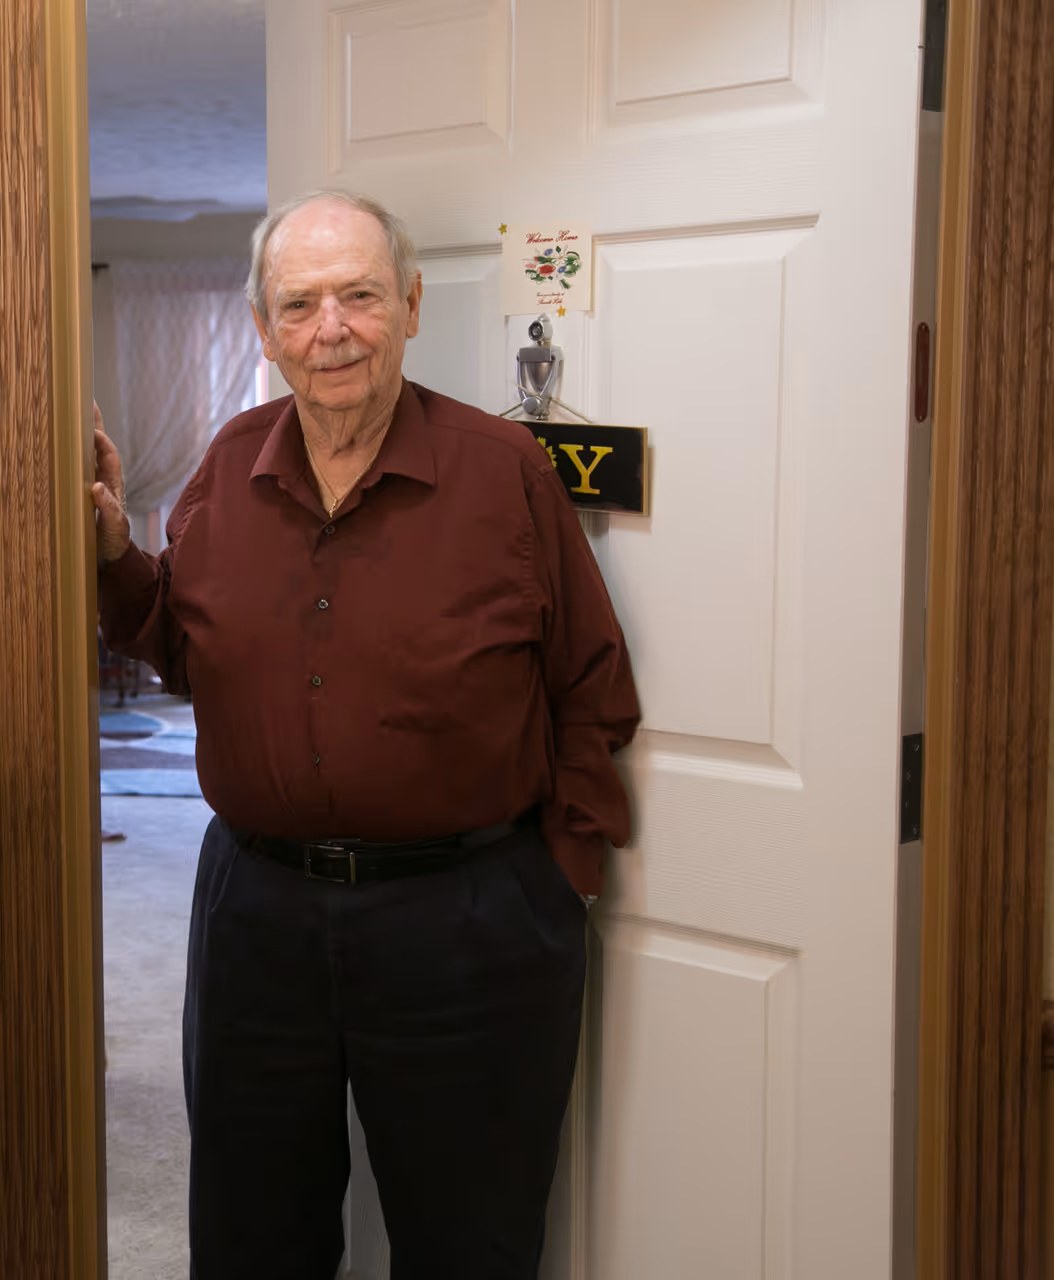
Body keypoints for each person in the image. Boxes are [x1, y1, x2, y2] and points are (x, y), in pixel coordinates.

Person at [91, 190, 640, 1279]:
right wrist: (112, 548)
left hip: (468, 923)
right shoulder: (228, 464)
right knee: (252, 1233)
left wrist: (560, 871)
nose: (330, 328)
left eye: (359, 296)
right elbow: (181, 636)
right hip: (258, 915)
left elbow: (591, 681)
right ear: (262, 327)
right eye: (299, 304)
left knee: (468, 1239)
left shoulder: (504, 472)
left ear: (413, 305)